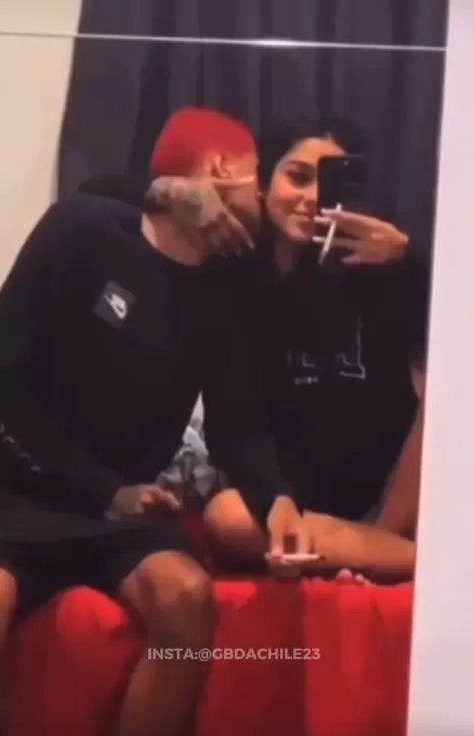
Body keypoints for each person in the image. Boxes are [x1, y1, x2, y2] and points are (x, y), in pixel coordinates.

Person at [0, 107, 305, 736]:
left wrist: (276, 500)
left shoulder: (230, 287)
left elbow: (238, 423)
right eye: (258, 175)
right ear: (220, 167)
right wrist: (101, 490)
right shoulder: (83, 229)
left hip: (127, 510)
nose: (262, 195)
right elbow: (2, 384)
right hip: (21, 493)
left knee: (188, 598)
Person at [149, 118, 428, 580]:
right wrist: (275, 498)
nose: (312, 197)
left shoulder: (374, 269)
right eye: (298, 177)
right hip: (293, 501)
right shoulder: (234, 282)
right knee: (226, 516)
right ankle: (395, 557)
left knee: (446, 394)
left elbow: (450, 338)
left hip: (389, 497)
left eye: (329, 183)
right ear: (263, 183)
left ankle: (377, 545)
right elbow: (237, 423)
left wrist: (407, 260)